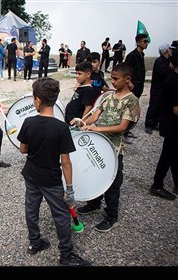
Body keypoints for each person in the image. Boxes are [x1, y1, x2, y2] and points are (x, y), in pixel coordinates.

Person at [17, 77, 92, 267]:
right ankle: (66, 256)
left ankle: (35, 243)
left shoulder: (28, 122)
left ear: (37, 101)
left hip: (31, 175)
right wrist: (70, 189)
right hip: (51, 180)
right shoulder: (61, 128)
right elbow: (65, 162)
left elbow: (23, 150)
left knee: (31, 210)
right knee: (60, 215)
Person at [72, 62, 139, 232]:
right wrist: (82, 123)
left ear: (127, 79)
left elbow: (123, 127)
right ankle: (94, 204)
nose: (113, 82)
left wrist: (96, 129)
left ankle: (111, 216)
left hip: (115, 149)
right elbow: (95, 115)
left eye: (116, 79)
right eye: (112, 78)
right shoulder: (109, 96)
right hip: (100, 144)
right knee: (96, 174)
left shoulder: (131, 100)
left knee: (113, 183)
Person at [148, 50, 178, 201]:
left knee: (173, 155)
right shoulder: (174, 81)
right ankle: (157, 185)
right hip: (172, 125)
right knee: (167, 156)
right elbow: (176, 109)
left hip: (169, 124)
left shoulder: (172, 78)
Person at [144, 43, 174, 134]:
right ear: (166, 51)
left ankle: (155, 123)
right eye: (170, 49)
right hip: (157, 89)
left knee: (160, 106)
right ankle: (148, 125)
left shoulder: (167, 60)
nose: (171, 51)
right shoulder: (159, 61)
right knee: (154, 106)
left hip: (163, 89)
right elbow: (165, 73)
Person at [64, 60, 97, 125]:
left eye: (79, 74)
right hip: (69, 122)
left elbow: (88, 108)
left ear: (88, 74)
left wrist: (82, 122)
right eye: (76, 73)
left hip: (76, 125)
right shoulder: (81, 87)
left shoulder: (88, 90)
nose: (77, 76)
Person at [124, 34, 148, 99]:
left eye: (147, 41)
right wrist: (129, 83)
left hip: (140, 85)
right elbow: (125, 70)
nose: (147, 43)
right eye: (145, 41)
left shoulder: (141, 55)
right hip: (133, 85)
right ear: (138, 43)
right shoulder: (131, 56)